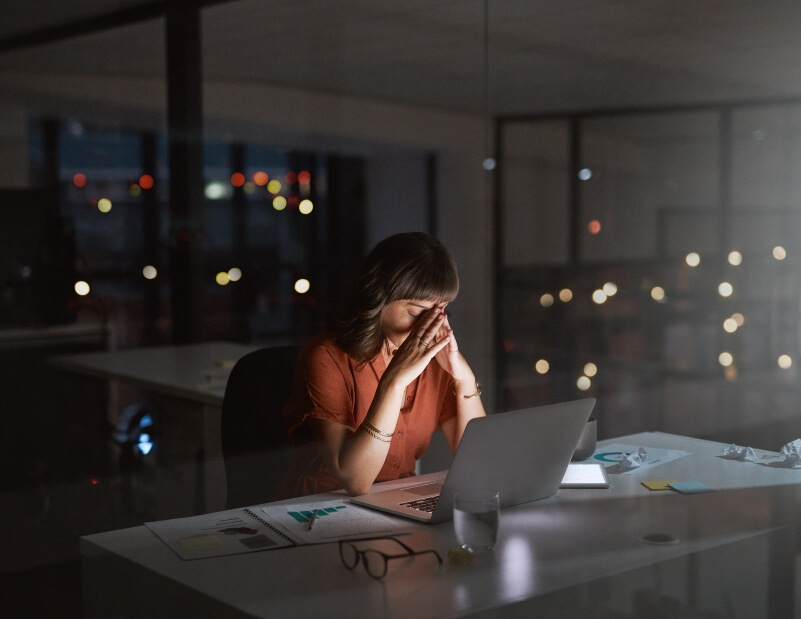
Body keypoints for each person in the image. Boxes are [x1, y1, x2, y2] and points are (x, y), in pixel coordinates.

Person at [275, 232, 486, 499]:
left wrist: (463, 377)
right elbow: (356, 481)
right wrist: (394, 381)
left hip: (394, 502)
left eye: (441, 310)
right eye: (417, 312)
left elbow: (480, 460)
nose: (429, 325)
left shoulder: (435, 362)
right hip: (319, 508)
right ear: (379, 298)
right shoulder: (325, 357)